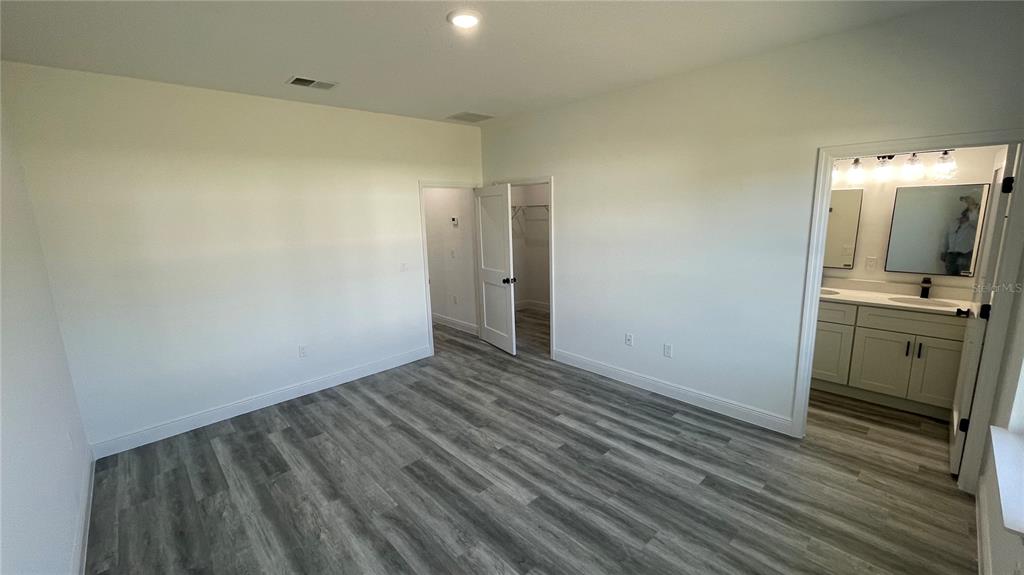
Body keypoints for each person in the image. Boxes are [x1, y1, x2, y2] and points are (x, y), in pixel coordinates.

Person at [941, 195, 980, 275]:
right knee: (949, 278)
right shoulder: (953, 223)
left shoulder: (974, 223)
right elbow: (946, 238)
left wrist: (972, 204)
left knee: (963, 278)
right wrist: (944, 251)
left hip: (965, 255)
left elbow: (974, 218)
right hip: (951, 256)